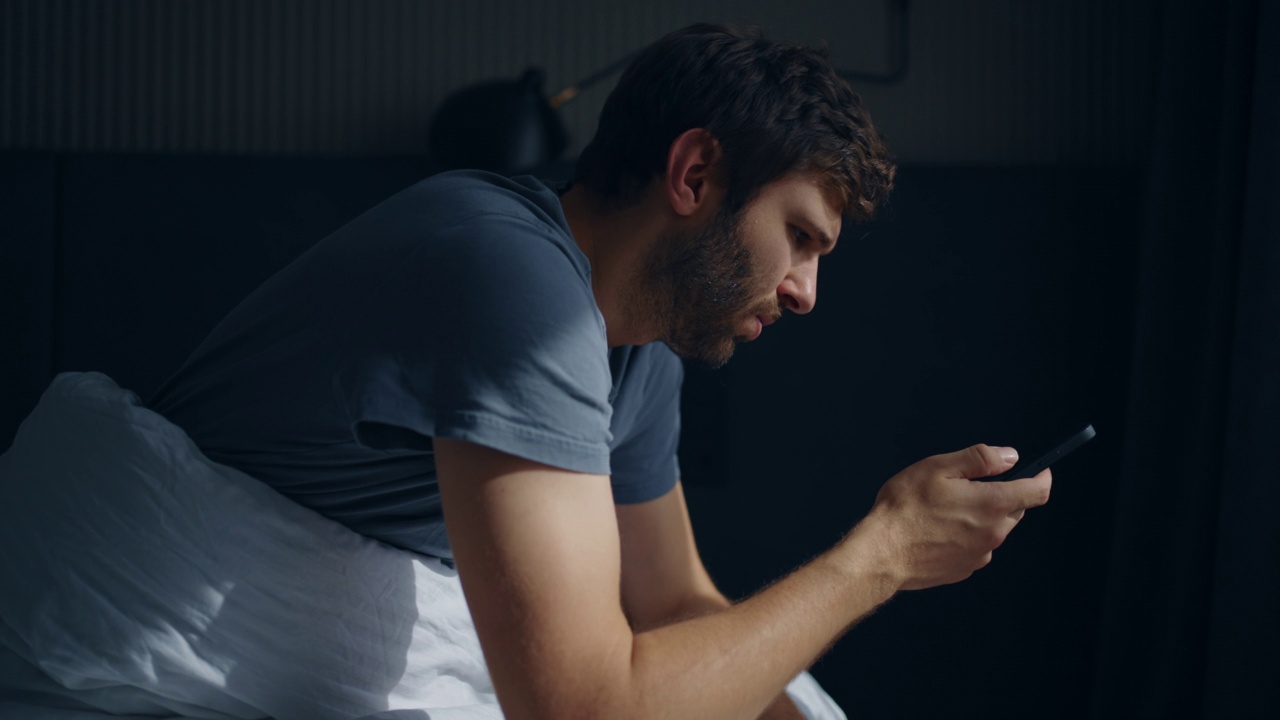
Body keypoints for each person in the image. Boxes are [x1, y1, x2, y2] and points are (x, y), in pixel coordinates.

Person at [5, 23, 1049, 720]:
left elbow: (672, 600)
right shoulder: (511, 278)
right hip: (111, 668)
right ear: (693, 174)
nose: (804, 291)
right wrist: (875, 558)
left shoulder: (638, 351)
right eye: (800, 238)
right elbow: (582, 707)